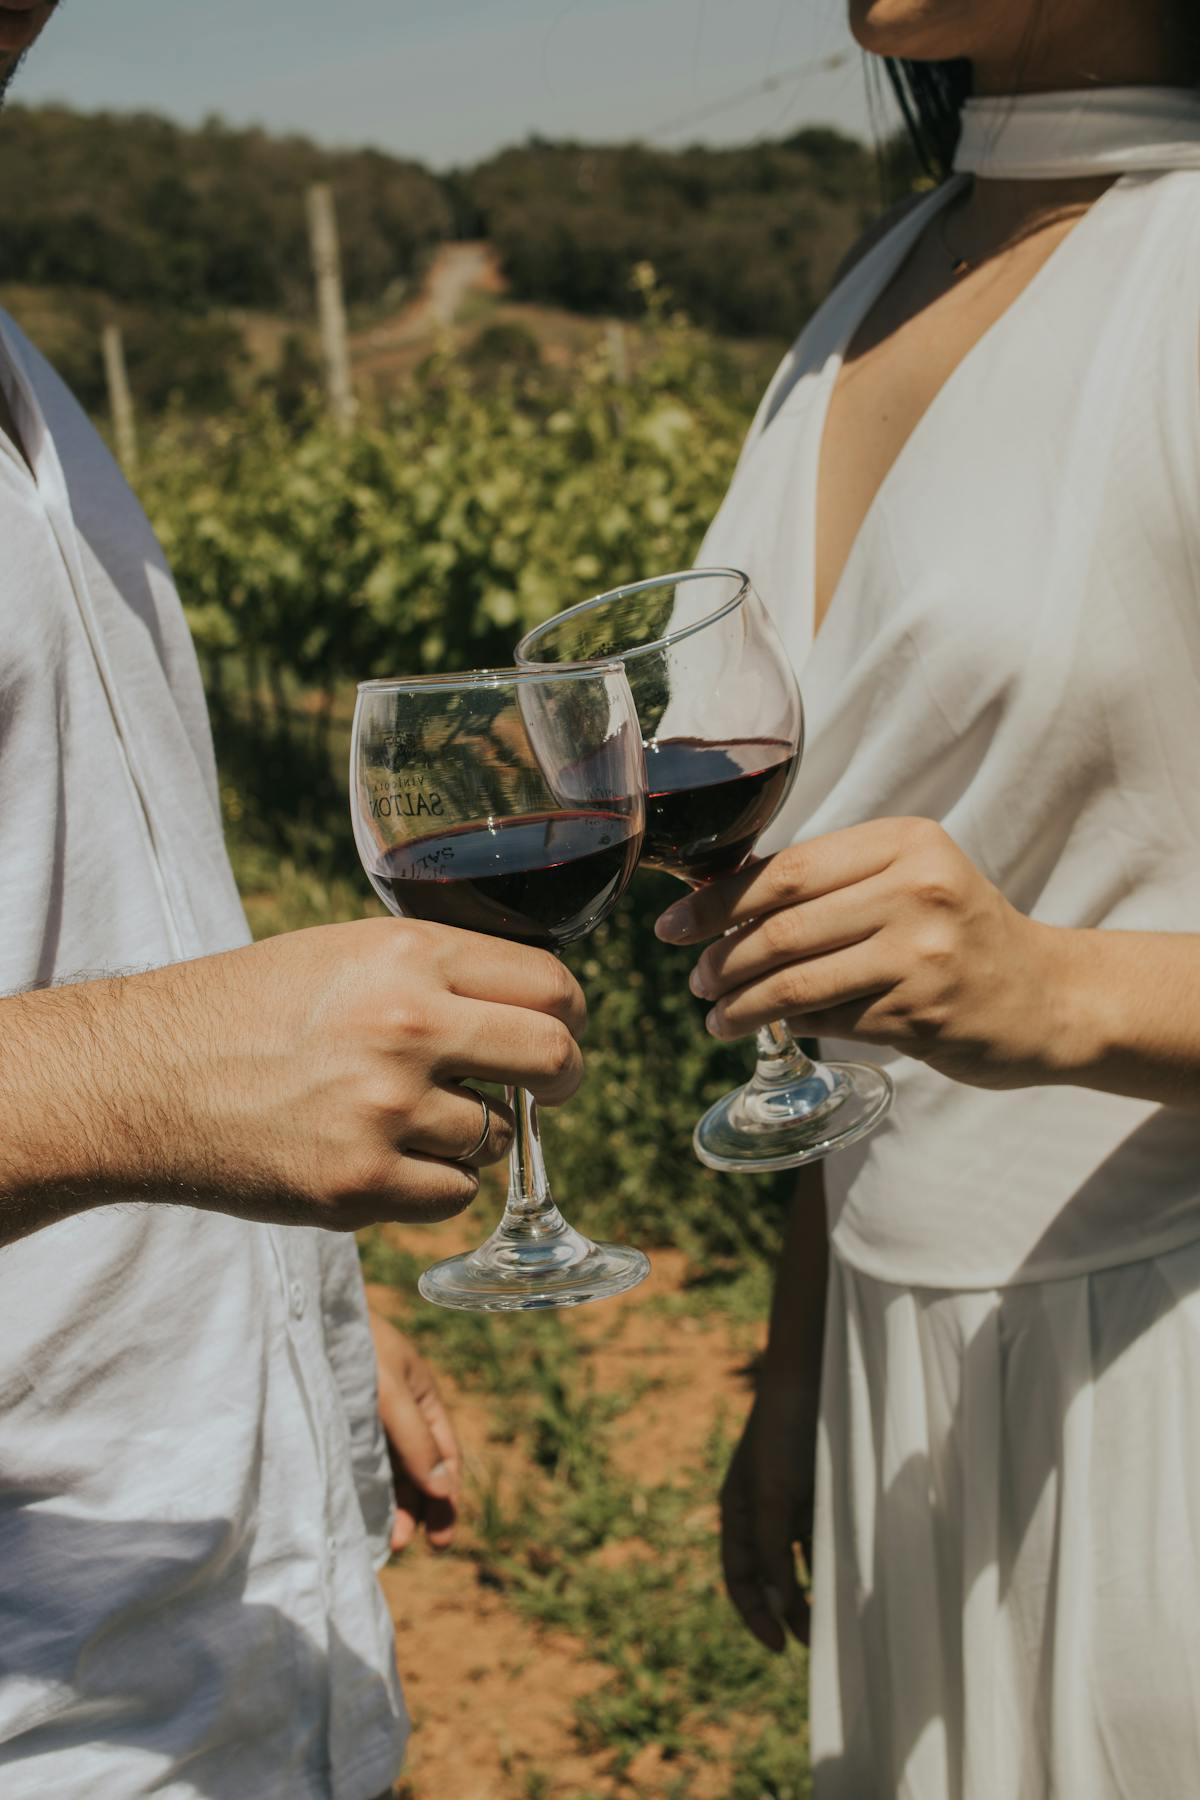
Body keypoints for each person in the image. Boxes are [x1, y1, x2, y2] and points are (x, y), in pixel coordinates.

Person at [0, 6, 589, 1797]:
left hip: (242, 1643)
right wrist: (142, 1078)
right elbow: (112, 1052)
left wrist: (297, 1320)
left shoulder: (30, 379)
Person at [655, 2, 1200, 1795]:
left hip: (1152, 1377)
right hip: (910, 1365)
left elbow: (1003, 970)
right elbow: (859, 948)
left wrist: (1064, 992)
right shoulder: (884, 272)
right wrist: (797, 1360)